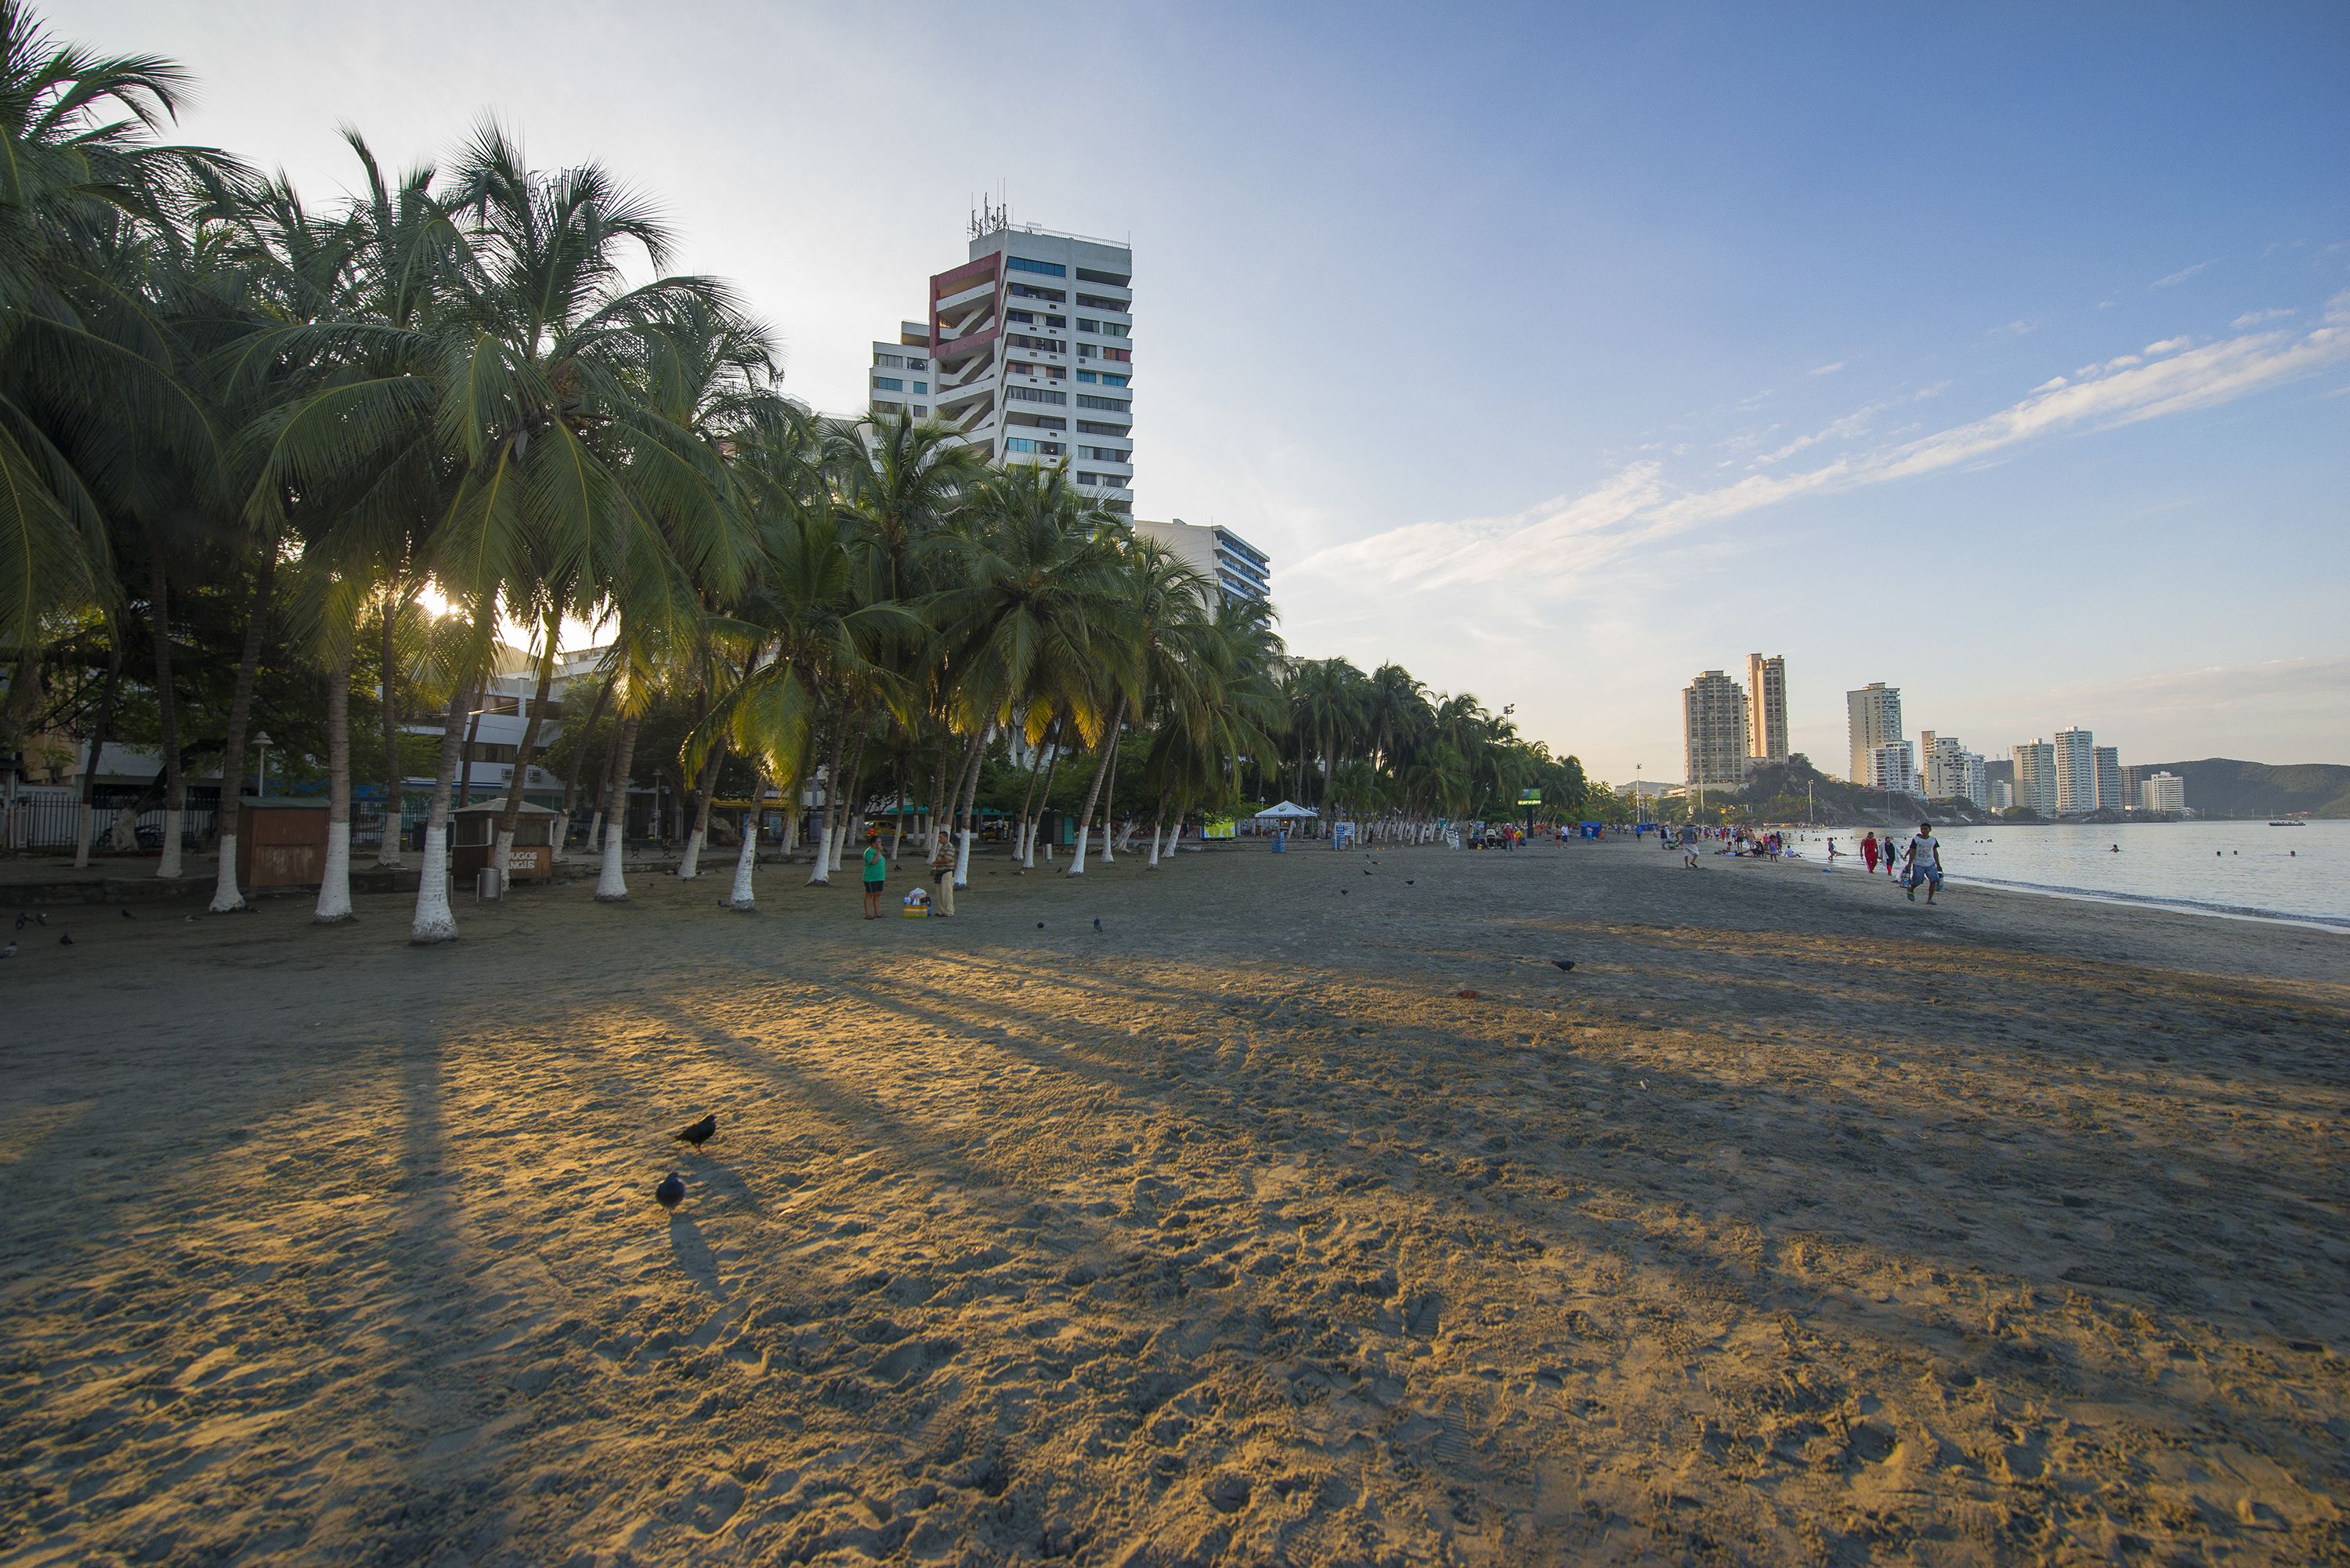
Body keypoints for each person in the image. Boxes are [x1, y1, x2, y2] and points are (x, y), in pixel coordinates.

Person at [1904, 821, 1943, 904]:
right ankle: (1911, 889)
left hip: (1930, 864)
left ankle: (1930, 899)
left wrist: (1938, 864)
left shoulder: (1933, 840)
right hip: (1918, 864)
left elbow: (1935, 852)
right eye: (1922, 829)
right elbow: (1912, 852)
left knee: (1934, 880)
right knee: (1918, 881)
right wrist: (1909, 863)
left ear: (1930, 830)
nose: (1923, 831)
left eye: (1925, 829)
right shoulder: (1916, 839)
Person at [861, 838, 888, 919]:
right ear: (873, 843)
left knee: (878, 894)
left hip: (880, 877)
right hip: (871, 877)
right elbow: (873, 862)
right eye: (878, 842)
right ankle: (867, 914)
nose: (880, 844)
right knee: (869, 894)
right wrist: (878, 851)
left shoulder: (877, 852)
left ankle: (877, 913)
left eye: (880, 842)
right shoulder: (869, 852)